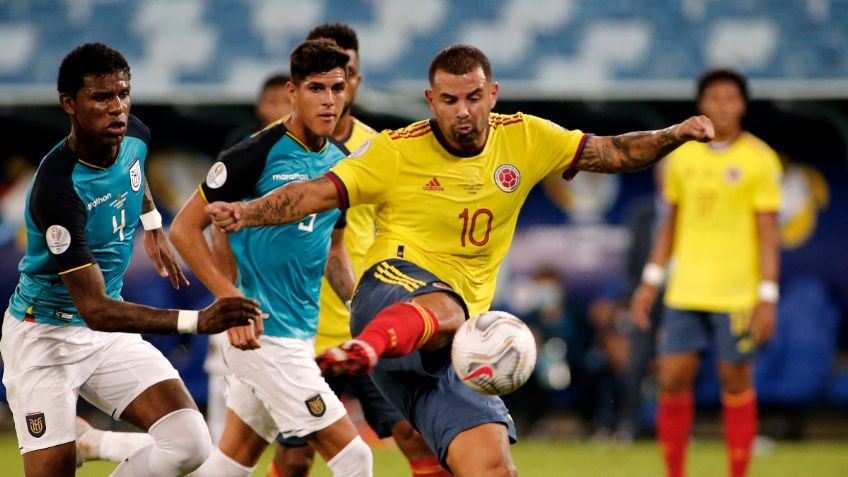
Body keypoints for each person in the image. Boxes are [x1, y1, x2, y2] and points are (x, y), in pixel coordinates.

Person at [207, 44, 714, 476]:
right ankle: (366, 349)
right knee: (442, 308)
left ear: (492, 94)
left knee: (491, 466)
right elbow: (316, 193)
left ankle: (373, 355)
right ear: (432, 101)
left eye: (474, 97)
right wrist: (245, 213)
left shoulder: (527, 138)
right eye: (449, 100)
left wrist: (676, 135)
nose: (463, 111)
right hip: (388, 294)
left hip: (457, 344)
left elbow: (611, 151)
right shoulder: (396, 151)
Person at [0, 42, 262, 477]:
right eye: (102, 97)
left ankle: (93, 441)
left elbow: (133, 175)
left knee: (189, 444)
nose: (117, 108)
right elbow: (96, 309)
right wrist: (197, 321)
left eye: (123, 93)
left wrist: (154, 223)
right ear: (69, 104)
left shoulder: (134, 134)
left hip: (104, 338)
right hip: (45, 336)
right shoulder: (57, 188)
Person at [169, 39, 372, 477]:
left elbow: (334, 251)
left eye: (337, 88)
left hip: (300, 334)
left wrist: (360, 306)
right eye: (316, 88)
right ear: (293, 92)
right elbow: (184, 230)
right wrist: (230, 302)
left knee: (228, 465)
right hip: (263, 335)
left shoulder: (343, 165)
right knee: (356, 457)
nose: (329, 100)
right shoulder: (252, 155)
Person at [269, 22, 449, 477]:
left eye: (344, 74)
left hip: (366, 321)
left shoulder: (381, 148)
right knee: (294, 456)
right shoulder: (272, 146)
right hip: (298, 328)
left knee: (412, 432)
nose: (335, 88)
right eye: (323, 79)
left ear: (356, 80)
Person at [630, 69, 782, 477]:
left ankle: (738, 472)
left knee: (735, 382)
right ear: (702, 105)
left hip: (736, 294)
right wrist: (650, 281)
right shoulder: (682, 156)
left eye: (730, 98)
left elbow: (768, 235)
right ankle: (675, 473)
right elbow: (670, 226)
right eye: (714, 98)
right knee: (672, 379)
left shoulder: (760, 160)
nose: (722, 106)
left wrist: (767, 297)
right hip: (685, 291)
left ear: (743, 104)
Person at [206, 72, 295, 444]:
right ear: (261, 106)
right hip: (241, 281)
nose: (277, 109)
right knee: (224, 368)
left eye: (283, 101)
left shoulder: (308, 152)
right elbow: (211, 218)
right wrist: (226, 291)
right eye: (271, 101)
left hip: (285, 292)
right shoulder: (242, 148)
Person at [222, 73, 293, 151]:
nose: (280, 109)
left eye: (288, 102)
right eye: (273, 102)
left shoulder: (306, 142)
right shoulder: (241, 140)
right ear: (260, 107)